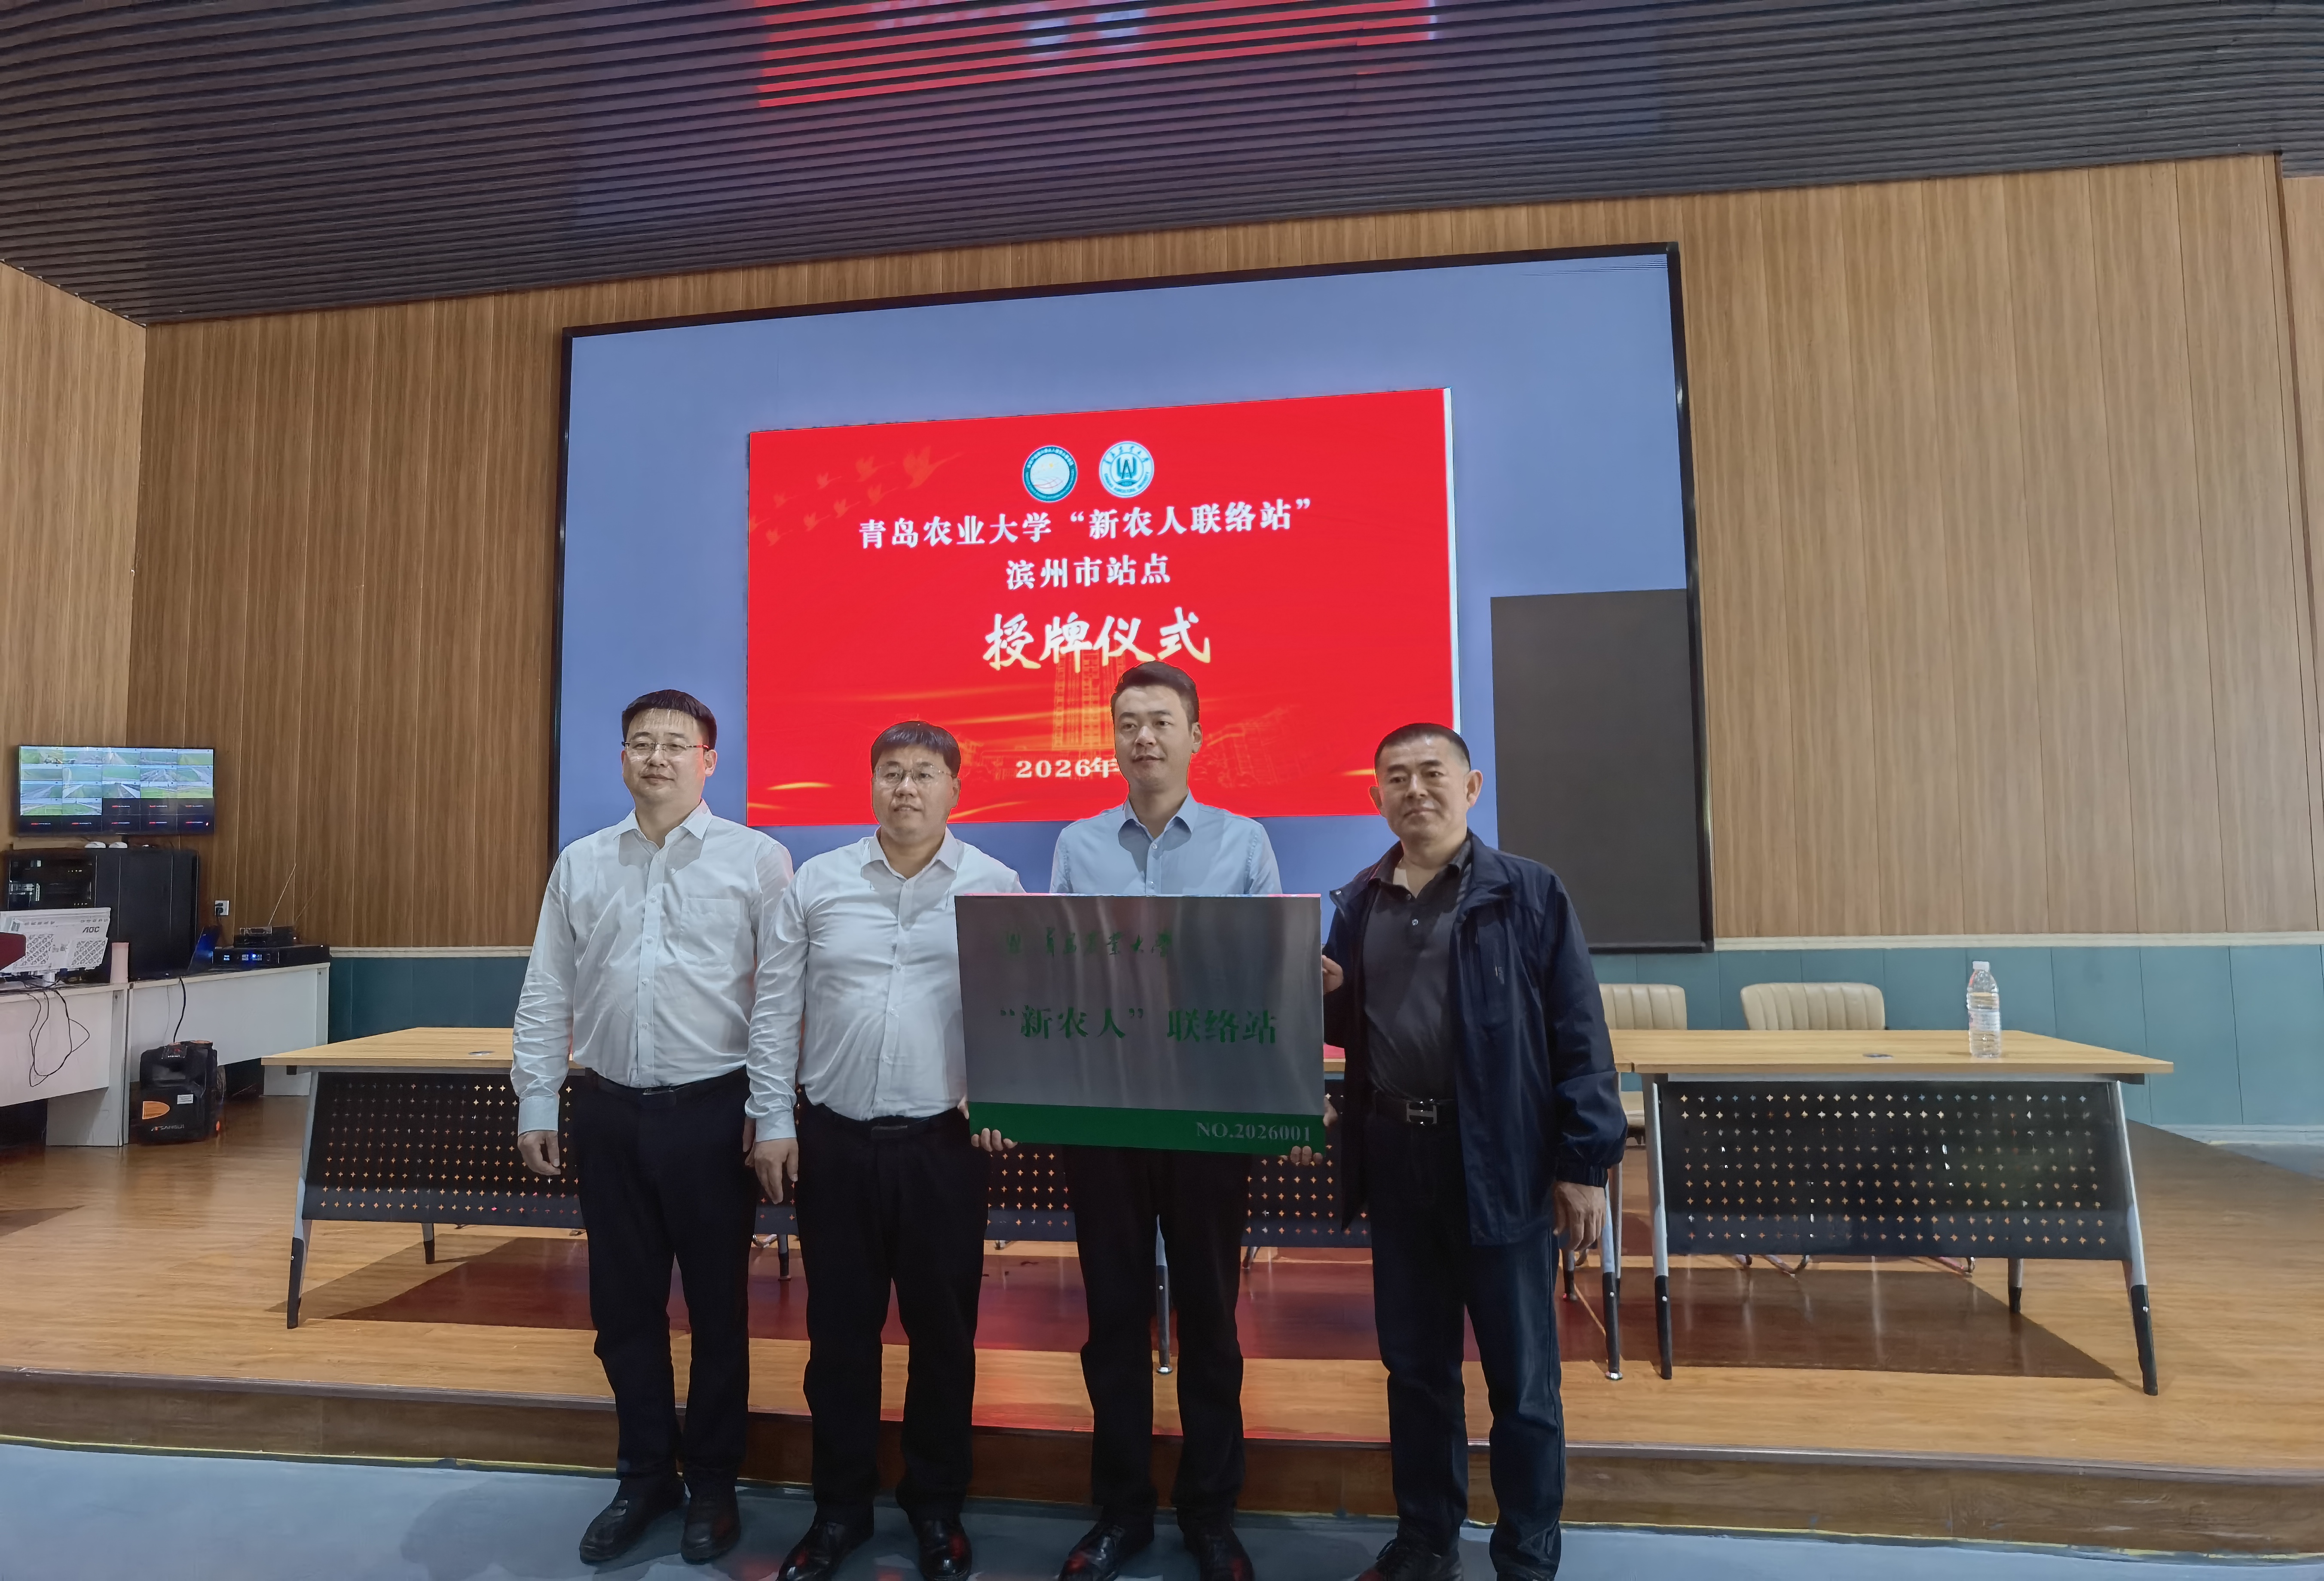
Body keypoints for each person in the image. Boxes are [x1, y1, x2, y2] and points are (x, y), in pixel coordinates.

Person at [978, 659, 1279, 1581]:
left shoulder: (1244, 843)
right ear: (1111, 739)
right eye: (1127, 723)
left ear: (1196, 736)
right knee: (1112, 1319)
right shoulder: (1078, 844)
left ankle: (1211, 1513)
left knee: (1211, 1321)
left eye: (1160, 721)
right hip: (1104, 1112)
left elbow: (1265, 979)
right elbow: (1061, 974)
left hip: (1208, 1119)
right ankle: (1120, 1510)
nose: (1143, 737)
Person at [1321, 724, 1625, 1581]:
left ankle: (1526, 1555)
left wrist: (1582, 1164)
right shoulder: (1359, 902)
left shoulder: (1528, 893)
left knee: (1522, 1382)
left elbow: (1579, 1032)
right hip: (1396, 1157)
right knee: (1416, 1371)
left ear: (1471, 787)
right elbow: (1353, 1026)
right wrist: (1310, 996)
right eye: (1396, 777)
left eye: (1432, 773)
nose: (1414, 789)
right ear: (1375, 796)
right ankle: (1425, 1542)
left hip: (1500, 1160)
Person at [511, 689, 794, 1566]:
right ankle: (643, 1476)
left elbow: (779, 1000)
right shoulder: (584, 862)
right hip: (608, 1110)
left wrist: (772, 1111)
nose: (658, 757)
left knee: (717, 1311)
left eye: (677, 744)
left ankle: (712, 1480)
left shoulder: (758, 860)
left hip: (714, 1113)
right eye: (642, 743)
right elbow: (547, 986)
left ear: (710, 761)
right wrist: (536, 1096)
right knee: (623, 1309)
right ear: (624, 758)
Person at [747, 722, 1024, 1581]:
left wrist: (1003, 1088)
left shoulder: (994, 885)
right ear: (872, 785)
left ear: (955, 790)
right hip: (834, 1142)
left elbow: (1018, 1007)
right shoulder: (819, 881)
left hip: (943, 1147)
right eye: (893, 773)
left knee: (944, 1336)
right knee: (839, 1337)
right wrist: (772, 1118)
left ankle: (937, 1506)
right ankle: (840, 1508)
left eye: (925, 774)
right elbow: (774, 1007)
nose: (907, 788)